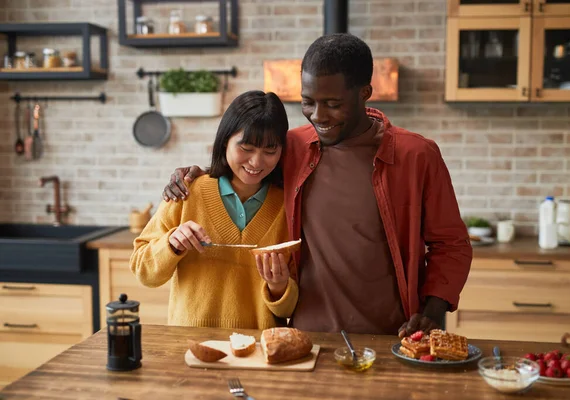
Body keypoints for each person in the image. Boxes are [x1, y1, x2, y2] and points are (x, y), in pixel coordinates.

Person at [161, 34, 473, 336]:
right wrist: (201, 172)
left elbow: (451, 245)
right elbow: (252, 167)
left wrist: (433, 309)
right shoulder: (294, 146)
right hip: (306, 333)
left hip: (392, 332)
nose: (318, 116)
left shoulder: (416, 155)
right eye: (308, 102)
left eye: (333, 103)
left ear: (365, 92)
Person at [130, 90, 299, 330]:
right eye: (246, 148)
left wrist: (280, 287)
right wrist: (171, 244)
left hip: (259, 353)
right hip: (190, 346)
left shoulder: (289, 207)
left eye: (270, 151)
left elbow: (290, 309)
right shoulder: (187, 192)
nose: (256, 162)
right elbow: (143, 272)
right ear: (224, 141)